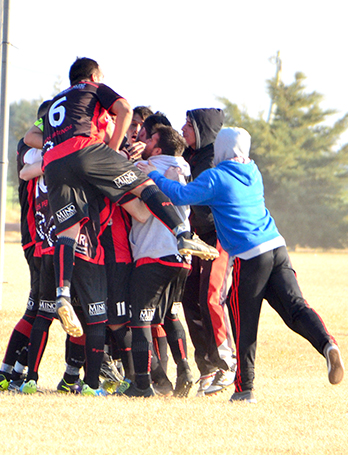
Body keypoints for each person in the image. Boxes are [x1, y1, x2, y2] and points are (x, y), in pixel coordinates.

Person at [140, 127, 345, 403]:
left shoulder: (217, 177)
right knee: (295, 308)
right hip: (277, 247)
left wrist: (150, 174)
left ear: (222, 150)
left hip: (249, 258)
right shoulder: (254, 171)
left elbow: (178, 195)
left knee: (243, 323)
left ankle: (244, 389)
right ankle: (327, 344)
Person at [24, 57, 218, 344]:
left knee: (68, 230)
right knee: (144, 184)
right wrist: (111, 151)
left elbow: (34, 138)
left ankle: (62, 295)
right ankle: (182, 232)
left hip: (54, 164)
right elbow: (125, 109)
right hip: (86, 150)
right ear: (93, 75)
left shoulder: (55, 104)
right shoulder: (92, 89)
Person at [125, 125, 194, 397]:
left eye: (148, 138)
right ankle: (185, 368)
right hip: (182, 257)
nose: (142, 140)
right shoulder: (184, 168)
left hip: (154, 252)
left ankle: (141, 384)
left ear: (158, 147)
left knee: (140, 319)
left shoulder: (146, 166)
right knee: (170, 314)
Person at [179, 108, 237, 396]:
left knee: (212, 296)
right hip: (198, 239)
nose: (183, 128)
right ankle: (207, 367)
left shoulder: (215, 159)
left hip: (221, 236)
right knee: (190, 298)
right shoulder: (189, 155)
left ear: (202, 129)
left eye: (188, 124)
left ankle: (228, 363)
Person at [0, 138, 39, 391]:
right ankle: (11, 372)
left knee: (42, 311)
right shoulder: (31, 152)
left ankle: (11, 371)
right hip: (40, 244)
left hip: (45, 244)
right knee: (43, 311)